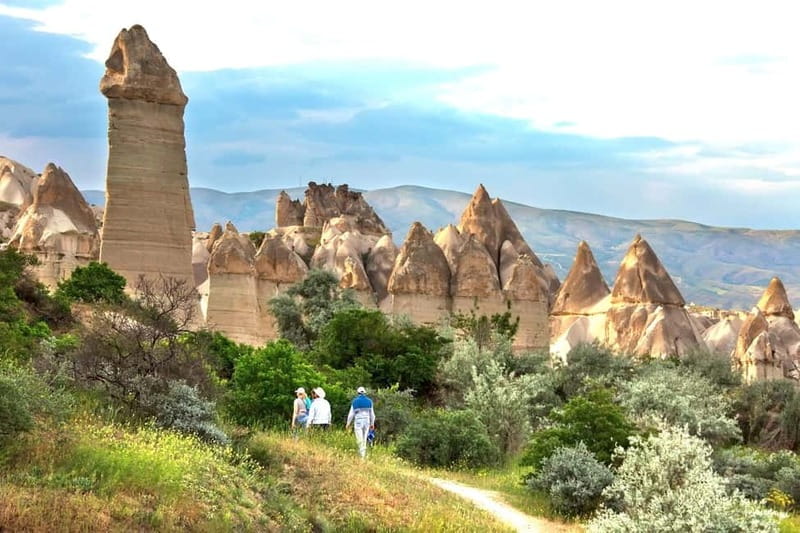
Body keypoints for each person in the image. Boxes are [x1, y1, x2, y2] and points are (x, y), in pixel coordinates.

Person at [345, 386, 375, 458]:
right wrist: (372, 424)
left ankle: (361, 456)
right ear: (365, 393)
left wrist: (348, 424)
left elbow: (351, 415)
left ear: (358, 393)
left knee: (359, 439)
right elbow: (372, 415)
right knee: (364, 438)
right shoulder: (369, 401)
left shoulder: (355, 401)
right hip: (367, 421)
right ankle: (363, 455)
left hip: (358, 421)